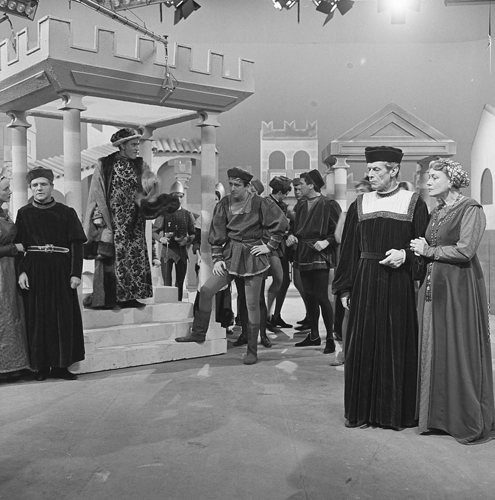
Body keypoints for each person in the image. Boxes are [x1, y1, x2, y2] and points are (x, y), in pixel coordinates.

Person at [333, 146, 429, 429]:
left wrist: (406, 255)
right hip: (365, 281)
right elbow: (349, 248)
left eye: (376, 169)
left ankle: (393, 413)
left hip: (397, 283)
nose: (370, 174)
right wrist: (345, 287)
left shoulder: (413, 203)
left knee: (394, 343)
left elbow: (422, 247)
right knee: (362, 345)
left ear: (394, 170)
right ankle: (360, 412)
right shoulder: (360, 204)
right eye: (369, 169)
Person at [410, 159, 495, 444]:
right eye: (428, 177)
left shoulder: (470, 209)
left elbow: (465, 250)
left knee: (457, 346)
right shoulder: (438, 210)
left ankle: (462, 416)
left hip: (458, 287)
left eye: (434, 177)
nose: (428, 182)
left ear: (452, 179)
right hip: (434, 286)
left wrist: (429, 251)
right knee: (434, 346)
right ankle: (436, 416)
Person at [176, 167, 288, 366]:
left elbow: (281, 224)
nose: (233, 188)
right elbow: (217, 232)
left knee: (252, 304)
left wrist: (269, 246)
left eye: (237, 185)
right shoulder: (225, 203)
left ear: (247, 186)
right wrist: (218, 258)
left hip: (253, 256)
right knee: (206, 290)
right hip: (231, 254)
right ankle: (199, 333)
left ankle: (252, 351)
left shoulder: (260, 203)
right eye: (231, 184)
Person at [84, 128, 177, 309]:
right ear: (122, 145)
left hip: (134, 222)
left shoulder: (141, 165)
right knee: (112, 259)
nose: (137, 148)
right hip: (113, 222)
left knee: (134, 259)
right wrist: (98, 216)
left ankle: (131, 297)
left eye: (138, 144)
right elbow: (96, 192)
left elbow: (150, 191)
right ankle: (109, 298)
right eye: (133, 144)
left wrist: (156, 196)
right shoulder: (105, 164)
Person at [15, 167, 87, 381]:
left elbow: (77, 244)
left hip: (61, 270)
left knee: (62, 317)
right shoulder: (24, 213)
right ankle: (41, 366)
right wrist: (21, 271)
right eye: (35, 185)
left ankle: (61, 365)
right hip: (35, 270)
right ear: (30, 188)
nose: (39, 188)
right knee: (38, 318)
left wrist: (75, 273)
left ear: (52, 187)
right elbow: (19, 246)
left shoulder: (67, 212)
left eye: (43, 184)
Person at [291, 169, 341, 353]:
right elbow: (294, 227)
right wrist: (291, 236)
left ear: (311, 185)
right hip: (303, 252)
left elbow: (338, 230)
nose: (299, 187)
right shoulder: (300, 205)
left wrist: (327, 241)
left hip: (320, 253)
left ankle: (330, 338)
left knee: (321, 296)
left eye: (302, 184)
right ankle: (313, 335)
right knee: (309, 296)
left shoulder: (329, 204)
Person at [331, 178, 374, 365]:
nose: (359, 193)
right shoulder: (348, 213)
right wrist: (345, 218)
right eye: (357, 190)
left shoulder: (375, 213)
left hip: (369, 264)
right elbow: (338, 237)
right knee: (347, 310)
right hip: (351, 265)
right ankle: (345, 352)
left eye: (363, 190)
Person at [0, 175, 30, 382]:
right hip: (1, 272)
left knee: (13, 314)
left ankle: (15, 366)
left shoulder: (4, 213)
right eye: (5, 189)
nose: (10, 192)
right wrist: (14, 248)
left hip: (9, 270)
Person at [152, 181, 196, 301]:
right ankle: (167, 304)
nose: (178, 199)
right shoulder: (164, 214)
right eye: (175, 196)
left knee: (180, 282)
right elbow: (154, 231)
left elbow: (194, 234)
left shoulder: (188, 214)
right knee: (167, 282)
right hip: (167, 251)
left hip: (182, 252)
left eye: (180, 196)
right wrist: (161, 238)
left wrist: (187, 239)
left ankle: (179, 303)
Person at [265, 176, 293, 330]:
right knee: (278, 278)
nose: (287, 196)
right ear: (281, 192)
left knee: (284, 281)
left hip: (281, 245)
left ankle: (275, 316)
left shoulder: (281, 205)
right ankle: (266, 316)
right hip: (270, 245)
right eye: (286, 193)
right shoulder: (266, 203)